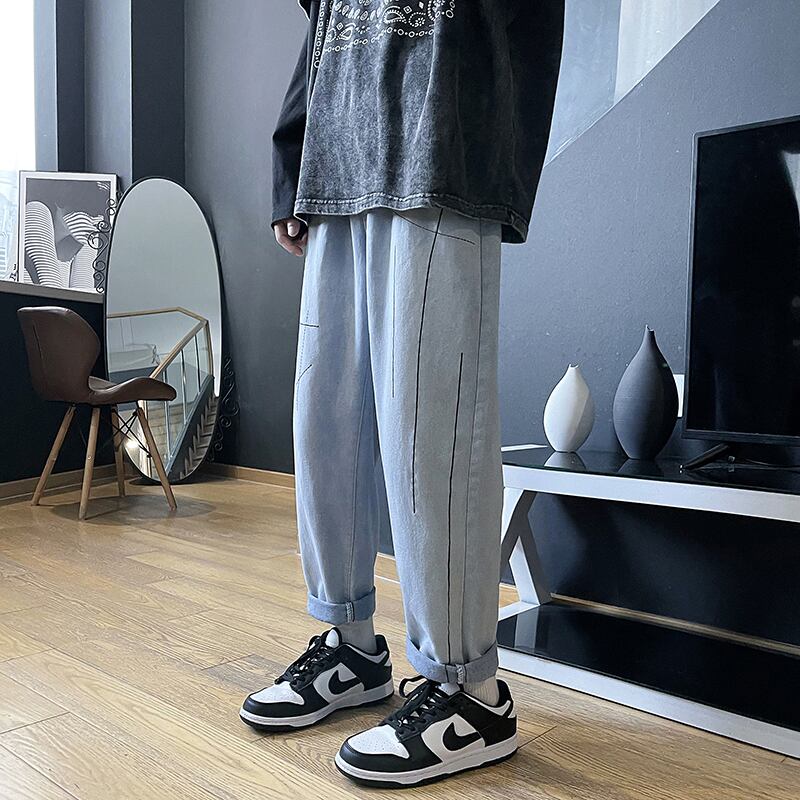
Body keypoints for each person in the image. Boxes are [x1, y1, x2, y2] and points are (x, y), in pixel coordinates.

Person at [240, 0, 563, 788]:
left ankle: (469, 691)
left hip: (442, 136)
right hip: (337, 160)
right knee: (326, 421)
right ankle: (352, 648)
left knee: (432, 424)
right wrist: (292, 160)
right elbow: (325, 21)